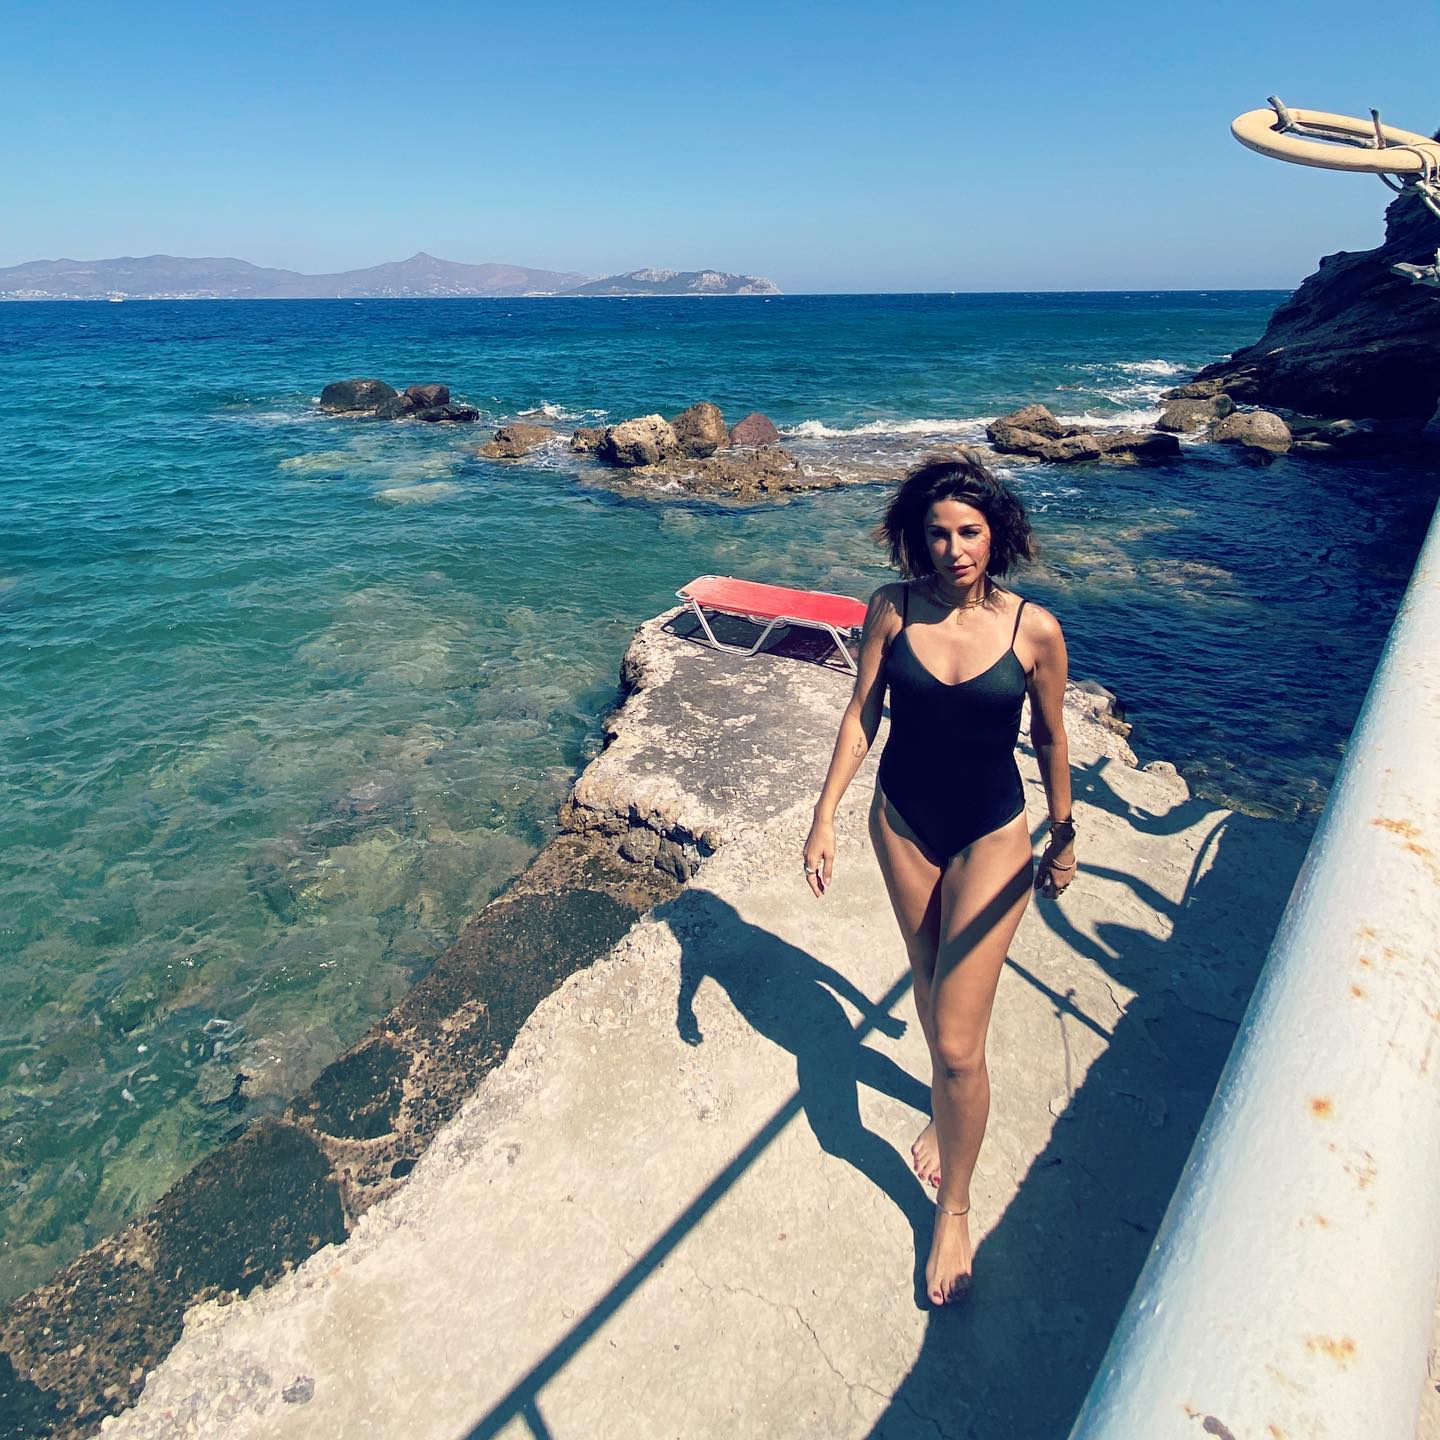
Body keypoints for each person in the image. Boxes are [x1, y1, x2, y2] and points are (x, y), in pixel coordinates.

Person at [802, 451, 1076, 1306]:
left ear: (997, 536)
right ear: (917, 540)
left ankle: (953, 1207)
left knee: (958, 1044)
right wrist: (825, 815)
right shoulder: (892, 608)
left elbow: (1050, 737)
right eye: (938, 534)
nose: (954, 549)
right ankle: (943, 1112)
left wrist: (1063, 833)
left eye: (970, 532)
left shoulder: (1034, 630)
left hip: (992, 833)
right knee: (926, 984)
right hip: (902, 824)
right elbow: (862, 714)